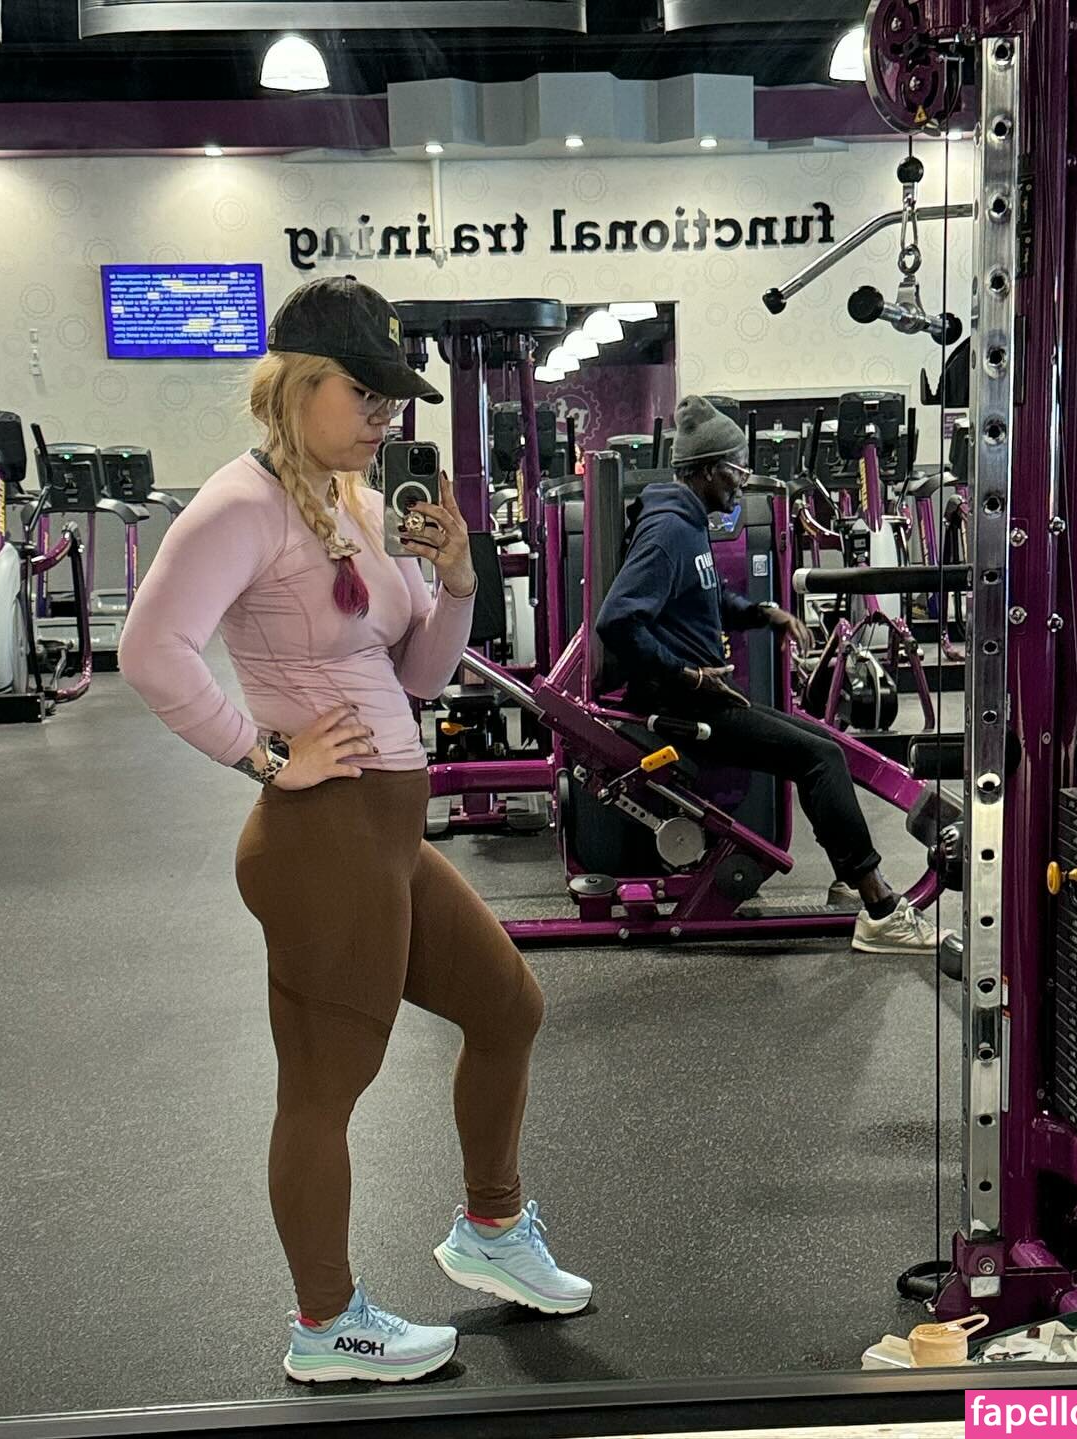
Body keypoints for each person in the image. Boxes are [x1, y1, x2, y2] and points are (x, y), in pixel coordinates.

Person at [119, 276, 590, 1386]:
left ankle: (491, 1228)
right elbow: (150, 650)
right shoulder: (239, 506)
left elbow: (419, 673)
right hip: (320, 838)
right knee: (326, 1086)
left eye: (392, 399)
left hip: (384, 834)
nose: (385, 416)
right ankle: (326, 1322)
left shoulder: (355, 502)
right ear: (295, 385)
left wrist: (458, 579)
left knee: (509, 1007)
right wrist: (262, 753)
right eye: (364, 394)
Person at [596, 394, 951, 956]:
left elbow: (708, 596)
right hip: (682, 707)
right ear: (706, 470)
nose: (742, 482)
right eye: (736, 470)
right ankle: (880, 909)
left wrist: (765, 614)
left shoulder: (688, 521)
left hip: (706, 698)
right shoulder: (667, 530)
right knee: (819, 757)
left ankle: (854, 880)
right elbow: (617, 620)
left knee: (821, 743)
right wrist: (686, 675)